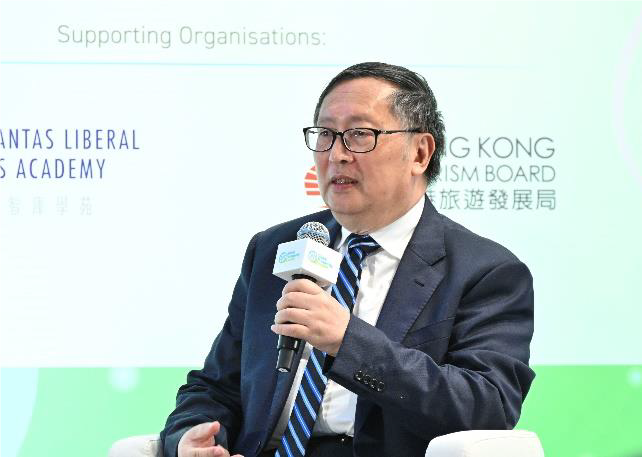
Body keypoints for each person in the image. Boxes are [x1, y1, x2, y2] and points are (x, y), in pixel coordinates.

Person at [160, 62, 535, 457]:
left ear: (420, 153)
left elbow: (486, 406)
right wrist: (191, 437)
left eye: (359, 135)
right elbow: (215, 386)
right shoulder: (275, 247)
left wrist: (348, 341)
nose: (337, 154)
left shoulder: (484, 271)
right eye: (326, 134)